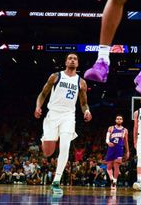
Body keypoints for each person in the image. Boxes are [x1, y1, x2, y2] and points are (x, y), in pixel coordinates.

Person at [34, 53, 92, 190]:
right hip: (53, 114)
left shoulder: (81, 82)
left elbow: (84, 104)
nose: (72, 60)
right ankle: (46, 139)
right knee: (48, 152)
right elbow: (43, 94)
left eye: (75, 59)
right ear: (66, 62)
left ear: (77, 63)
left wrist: (87, 111)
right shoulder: (55, 76)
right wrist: (38, 107)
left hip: (68, 116)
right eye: (70, 58)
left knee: (65, 146)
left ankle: (56, 180)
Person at [105, 115, 129, 190]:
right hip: (111, 148)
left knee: (116, 166)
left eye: (120, 119)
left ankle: (114, 182)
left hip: (119, 149)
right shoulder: (111, 128)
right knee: (109, 166)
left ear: (122, 121)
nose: (119, 120)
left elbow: (126, 141)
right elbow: (107, 137)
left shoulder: (125, 130)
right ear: (115, 120)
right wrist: (108, 142)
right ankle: (111, 178)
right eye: (117, 119)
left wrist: (127, 151)